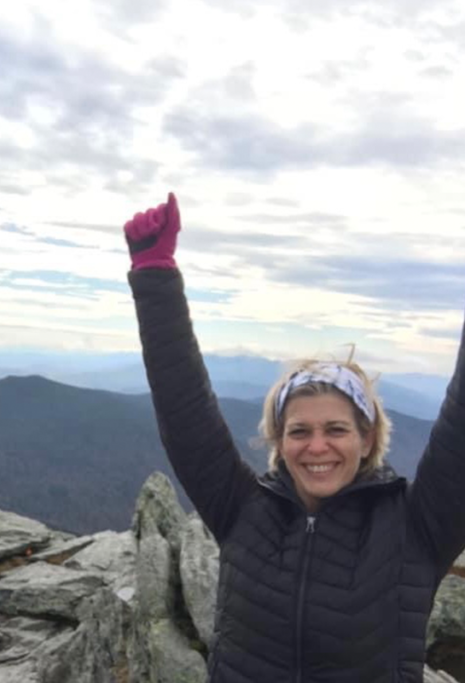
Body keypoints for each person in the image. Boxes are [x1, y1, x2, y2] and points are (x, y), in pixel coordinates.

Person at [123, 193, 465, 683]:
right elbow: (185, 412)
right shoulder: (242, 510)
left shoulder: (417, 526)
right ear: (279, 441)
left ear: (367, 440)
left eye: (337, 430)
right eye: (299, 431)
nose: (317, 446)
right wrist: (155, 272)